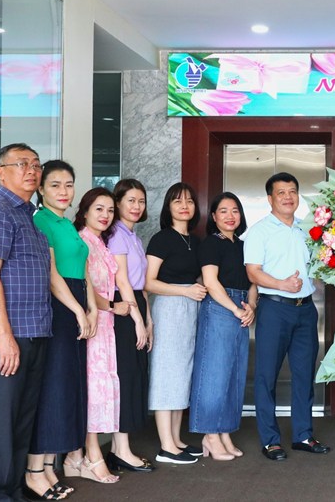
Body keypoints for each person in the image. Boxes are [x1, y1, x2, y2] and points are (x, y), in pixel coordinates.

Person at [0, 143, 51, 501]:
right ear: (0, 172)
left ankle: (13, 492)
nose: (31, 170)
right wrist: (4, 335)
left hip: (34, 332)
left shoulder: (29, 217)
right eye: (21, 164)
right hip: (6, 335)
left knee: (21, 422)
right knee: (1, 423)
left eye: (36, 164)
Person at [245, 172, 330, 461]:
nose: (288, 197)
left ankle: (303, 435)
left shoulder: (306, 230)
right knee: (266, 376)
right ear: (270, 198)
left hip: (305, 310)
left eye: (292, 191)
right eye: (281, 192)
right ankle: (270, 440)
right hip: (274, 309)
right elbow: (252, 272)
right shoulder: (259, 231)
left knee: (304, 374)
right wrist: (281, 284)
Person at [27, 160, 96, 499]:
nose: (63, 191)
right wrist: (78, 310)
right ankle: (34, 471)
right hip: (58, 309)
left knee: (67, 387)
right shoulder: (41, 220)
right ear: (41, 189)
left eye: (69, 184)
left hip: (76, 304)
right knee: (52, 388)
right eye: (55, 185)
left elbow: (84, 270)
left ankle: (49, 468)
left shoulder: (67, 223)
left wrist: (91, 308)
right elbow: (52, 274)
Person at [189, 192, 257, 460]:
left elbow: (252, 281)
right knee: (214, 373)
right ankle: (209, 434)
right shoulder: (211, 243)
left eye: (235, 211)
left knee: (234, 374)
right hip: (220, 307)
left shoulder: (244, 245)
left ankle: (225, 430)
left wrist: (251, 306)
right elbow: (210, 281)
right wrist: (234, 308)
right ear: (214, 216)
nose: (230, 216)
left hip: (241, 306)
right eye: (224, 211)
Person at [145, 182, 207, 464]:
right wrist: (184, 291)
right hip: (170, 307)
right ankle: (166, 446)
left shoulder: (195, 241)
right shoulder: (162, 239)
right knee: (167, 372)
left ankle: (176, 439)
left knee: (183, 371)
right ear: (168, 206)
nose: (184, 206)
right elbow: (148, 282)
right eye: (178, 201)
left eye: (190, 201)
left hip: (191, 308)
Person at [105, 179, 155, 473]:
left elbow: (140, 285)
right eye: (131, 200)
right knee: (124, 376)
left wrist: (148, 319)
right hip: (123, 308)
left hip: (136, 303)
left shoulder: (133, 236)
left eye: (141, 201)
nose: (137, 206)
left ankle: (120, 448)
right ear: (118, 202)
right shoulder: (116, 235)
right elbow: (122, 281)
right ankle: (121, 450)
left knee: (135, 375)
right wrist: (136, 319)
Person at [73, 188, 122, 484]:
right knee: (93, 387)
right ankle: (92, 454)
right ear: (85, 211)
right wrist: (112, 306)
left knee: (101, 385)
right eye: (99, 209)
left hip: (105, 325)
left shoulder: (100, 243)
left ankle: (75, 457)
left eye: (110, 210)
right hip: (93, 321)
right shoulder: (82, 242)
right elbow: (86, 287)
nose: (105, 215)